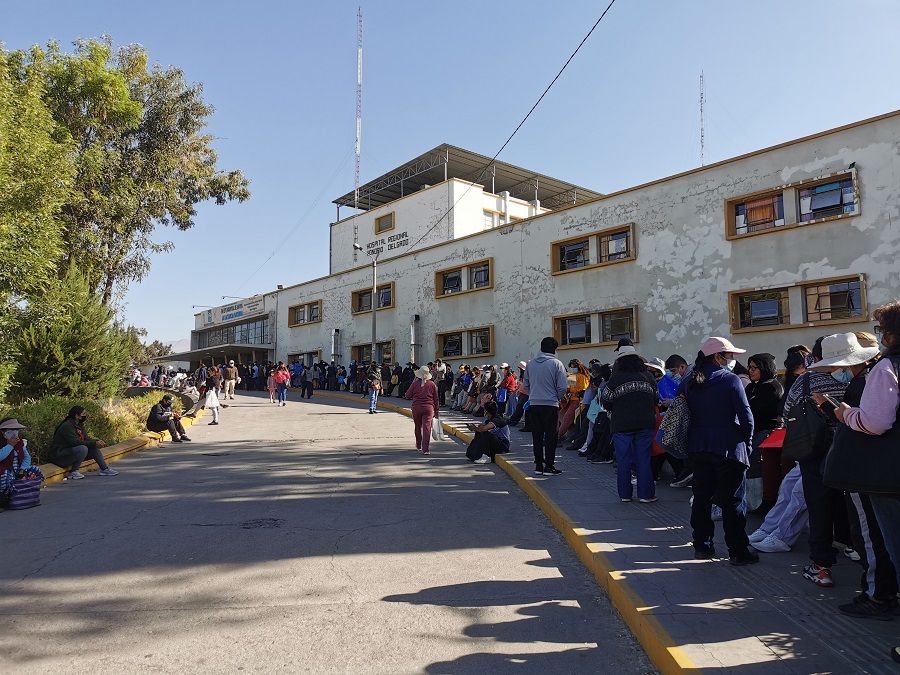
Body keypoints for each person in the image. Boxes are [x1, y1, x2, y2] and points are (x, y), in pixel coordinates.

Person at [810, 330, 897, 619]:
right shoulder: (876, 373)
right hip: (885, 470)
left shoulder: (871, 379)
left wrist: (841, 414)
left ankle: (876, 596)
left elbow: (873, 423)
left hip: (869, 472)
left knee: (871, 534)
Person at [678, 336, 757, 565]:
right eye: (729, 355)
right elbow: (746, 417)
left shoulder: (689, 381)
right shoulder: (730, 380)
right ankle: (738, 551)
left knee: (702, 498)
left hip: (698, 447)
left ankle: (702, 546)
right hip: (729, 448)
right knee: (732, 502)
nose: (731, 359)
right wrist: (748, 443)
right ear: (717, 356)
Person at [783, 336, 850, 588]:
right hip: (846, 447)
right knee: (849, 502)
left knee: (819, 505)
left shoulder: (805, 380)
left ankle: (821, 567)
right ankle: (855, 549)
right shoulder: (853, 378)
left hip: (814, 450)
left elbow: (788, 411)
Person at [602, 349, 659, 502]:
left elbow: (606, 401)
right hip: (645, 424)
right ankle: (646, 495)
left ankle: (625, 495)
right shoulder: (648, 377)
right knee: (643, 459)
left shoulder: (615, 379)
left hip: (621, 425)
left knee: (623, 461)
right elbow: (656, 399)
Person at [745, 353, 784, 516]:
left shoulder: (771, 386)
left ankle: (764, 500)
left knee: (757, 461)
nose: (751, 371)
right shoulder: (752, 387)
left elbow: (758, 411)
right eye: (749, 367)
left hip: (769, 432)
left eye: (755, 368)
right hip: (754, 431)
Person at [523, 337, 568, 476]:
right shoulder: (557, 364)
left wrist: (534, 395)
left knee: (536, 436)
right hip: (550, 404)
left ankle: (538, 466)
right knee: (550, 436)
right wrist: (556, 397)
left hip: (534, 404)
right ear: (554, 349)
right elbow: (562, 387)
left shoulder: (531, 364)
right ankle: (549, 466)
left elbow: (526, 385)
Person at [47, 406, 118, 478]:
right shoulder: (67, 426)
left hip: (70, 451)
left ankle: (104, 469)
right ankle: (74, 472)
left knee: (93, 448)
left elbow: (86, 438)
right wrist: (94, 443)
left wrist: (97, 441)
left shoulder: (79, 424)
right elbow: (75, 442)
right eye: (83, 414)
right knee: (83, 448)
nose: (85, 415)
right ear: (77, 416)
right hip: (60, 455)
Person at [0, 418, 44, 508]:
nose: (15, 432)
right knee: (4, 475)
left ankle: (27, 496)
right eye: (11, 430)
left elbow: (26, 457)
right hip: (5, 469)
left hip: (18, 469)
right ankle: (3, 498)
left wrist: (23, 469)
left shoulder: (21, 442)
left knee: (34, 470)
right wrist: (10, 445)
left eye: (16, 430)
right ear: (3, 432)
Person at [405, 365, 440, 454]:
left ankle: (418, 445)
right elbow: (436, 399)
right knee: (427, 428)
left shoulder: (415, 383)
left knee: (418, 426)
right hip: (429, 408)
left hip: (416, 408)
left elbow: (407, 395)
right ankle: (426, 449)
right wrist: (436, 411)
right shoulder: (432, 384)